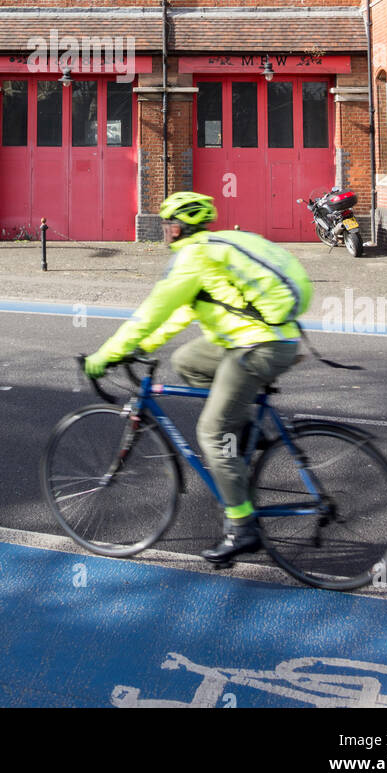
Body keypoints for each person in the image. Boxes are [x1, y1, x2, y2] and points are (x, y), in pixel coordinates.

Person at [84, 192, 313, 565]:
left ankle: (242, 528)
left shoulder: (193, 257)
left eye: (167, 224)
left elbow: (152, 310)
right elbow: (177, 316)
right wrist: (139, 348)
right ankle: (240, 427)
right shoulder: (207, 253)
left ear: (181, 227)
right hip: (258, 338)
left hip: (260, 346)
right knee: (187, 361)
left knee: (211, 432)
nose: (164, 231)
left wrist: (106, 355)